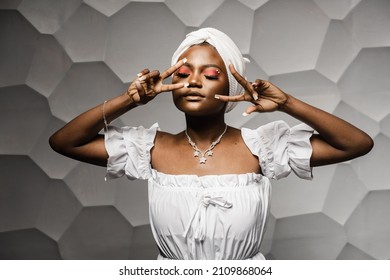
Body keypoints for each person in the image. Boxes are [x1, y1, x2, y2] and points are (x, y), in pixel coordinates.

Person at [49, 28, 373, 260]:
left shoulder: (262, 147)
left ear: (231, 84)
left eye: (210, 73)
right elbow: (64, 142)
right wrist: (127, 101)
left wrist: (287, 102)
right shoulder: (150, 147)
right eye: (184, 73)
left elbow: (356, 144)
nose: (193, 81)